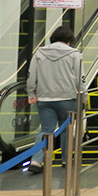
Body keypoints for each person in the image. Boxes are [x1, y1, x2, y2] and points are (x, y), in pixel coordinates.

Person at [27, 26, 82, 174]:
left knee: (45, 130)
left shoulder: (39, 53)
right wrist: (84, 96)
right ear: (69, 40)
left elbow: (32, 75)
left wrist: (31, 93)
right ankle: (65, 160)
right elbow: (79, 77)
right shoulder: (74, 54)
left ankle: (36, 161)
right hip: (67, 97)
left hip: (45, 98)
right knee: (66, 129)